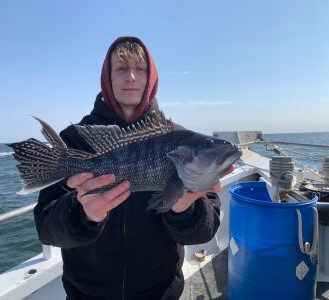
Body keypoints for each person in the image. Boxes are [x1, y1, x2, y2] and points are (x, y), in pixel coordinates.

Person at [34, 36, 233, 300]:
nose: (131, 77)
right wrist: (83, 215)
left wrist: (183, 208)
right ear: (108, 76)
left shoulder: (180, 137)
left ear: (151, 77)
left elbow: (204, 231)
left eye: (140, 69)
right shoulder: (75, 139)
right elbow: (46, 229)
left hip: (160, 292)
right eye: (121, 68)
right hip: (87, 294)